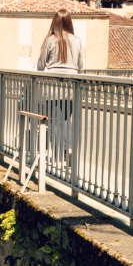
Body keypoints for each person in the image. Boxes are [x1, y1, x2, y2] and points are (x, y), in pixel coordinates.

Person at [37, 9, 84, 163]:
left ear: (55, 22)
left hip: (51, 86)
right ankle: (68, 148)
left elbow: (41, 65)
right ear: (69, 21)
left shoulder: (49, 40)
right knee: (65, 119)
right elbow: (80, 65)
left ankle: (57, 156)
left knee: (54, 122)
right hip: (71, 85)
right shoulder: (76, 40)